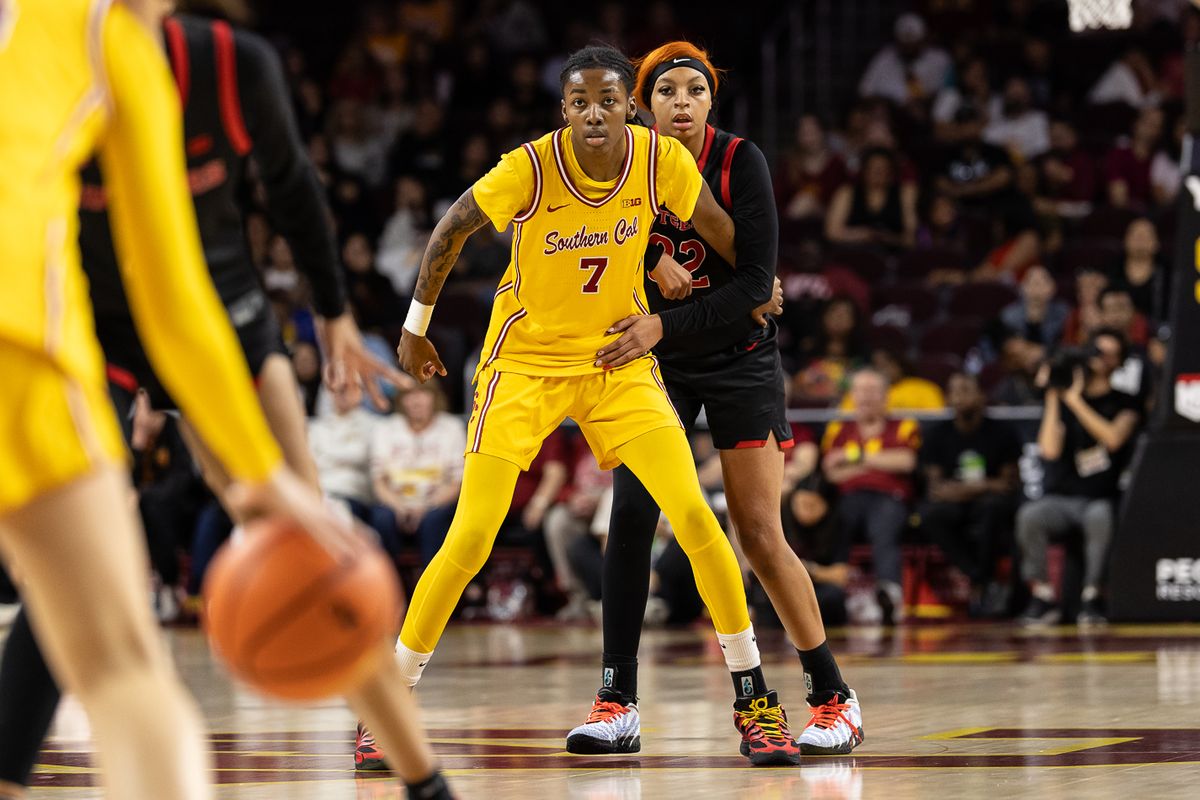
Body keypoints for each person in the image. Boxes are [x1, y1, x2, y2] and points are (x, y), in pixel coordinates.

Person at [0, 3, 452, 797]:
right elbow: (169, 296)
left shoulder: (227, 66)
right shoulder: (105, 44)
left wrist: (336, 311)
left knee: (305, 540)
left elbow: (292, 192)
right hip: (75, 321)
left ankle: (420, 775)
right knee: (100, 625)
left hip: (218, 312)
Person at [389, 44, 802, 767]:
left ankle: (755, 701)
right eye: (580, 102)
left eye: (608, 100)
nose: (594, 114)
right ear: (565, 111)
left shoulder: (659, 161)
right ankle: (388, 703)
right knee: (474, 534)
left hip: (616, 362)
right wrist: (415, 328)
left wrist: (756, 278)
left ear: (627, 107)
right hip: (524, 365)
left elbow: (715, 226)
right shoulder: (531, 166)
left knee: (699, 519)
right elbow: (452, 229)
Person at [560, 41, 862, 759]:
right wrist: (646, 257)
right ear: (645, 106)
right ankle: (617, 700)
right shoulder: (620, 162)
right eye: (668, 92)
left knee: (759, 532)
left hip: (738, 361)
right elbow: (580, 245)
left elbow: (758, 290)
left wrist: (669, 315)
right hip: (655, 367)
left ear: (710, 103)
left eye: (696, 90)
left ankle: (833, 698)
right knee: (632, 515)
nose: (683, 102)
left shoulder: (740, 161)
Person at [1017, 330, 1142, 626]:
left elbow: (1112, 439)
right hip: (1061, 497)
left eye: (1110, 354)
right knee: (1030, 515)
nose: (1101, 359)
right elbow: (1048, 449)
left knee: (1100, 518)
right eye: (1097, 351)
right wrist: (1053, 395)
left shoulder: (1125, 403)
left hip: (1099, 497)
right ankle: (1043, 595)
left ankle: (1092, 597)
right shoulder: (1062, 400)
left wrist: (1074, 402)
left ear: (1120, 362)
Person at [822, 369, 921, 625]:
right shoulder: (838, 428)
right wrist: (878, 462)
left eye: (872, 391)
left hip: (890, 498)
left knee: (885, 529)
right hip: (850, 498)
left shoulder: (904, 425)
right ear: (851, 396)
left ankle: (889, 594)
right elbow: (831, 472)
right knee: (836, 523)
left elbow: (906, 461)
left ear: (886, 396)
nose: (866, 397)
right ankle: (832, 593)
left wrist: (854, 458)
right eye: (860, 391)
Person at [919, 373, 1022, 616]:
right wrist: (986, 485)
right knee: (930, 514)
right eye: (954, 392)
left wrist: (961, 489)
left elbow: (1008, 484)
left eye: (966, 390)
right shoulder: (936, 435)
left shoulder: (1002, 432)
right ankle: (982, 580)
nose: (959, 397)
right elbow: (935, 490)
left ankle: (981, 583)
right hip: (957, 503)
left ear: (981, 397)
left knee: (992, 509)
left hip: (990, 504)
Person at [370, 382, 465, 566]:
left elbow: (457, 482)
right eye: (409, 395)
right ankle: (391, 588)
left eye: (423, 393)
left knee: (435, 521)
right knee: (382, 519)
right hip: (395, 502)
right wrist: (399, 507)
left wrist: (426, 506)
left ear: (434, 397)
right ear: (401, 400)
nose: (416, 401)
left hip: (436, 502)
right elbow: (379, 481)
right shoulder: (385, 429)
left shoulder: (451, 428)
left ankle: (431, 587)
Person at [824, 147, 917, 249]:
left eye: (882, 169)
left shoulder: (904, 193)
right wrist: (862, 235)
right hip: (854, 251)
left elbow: (911, 236)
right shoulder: (847, 192)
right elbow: (831, 232)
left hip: (893, 253)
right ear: (864, 170)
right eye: (873, 169)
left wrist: (887, 238)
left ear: (891, 172)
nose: (877, 174)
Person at [858, 13, 951, 107]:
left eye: (912, 43)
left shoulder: (939, 59)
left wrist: (920, 102)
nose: (908, 48)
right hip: (890, 112)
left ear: (923, 40)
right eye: (904, 44)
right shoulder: (884, 57)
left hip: (927, 112)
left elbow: (946, 94)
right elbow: (865, 92)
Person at [840, 347, 945, 413]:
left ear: (899, 365)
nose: (882, 370)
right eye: (877, 365)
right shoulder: (859, 391)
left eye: (886, 364)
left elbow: (935, 421)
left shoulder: (924, 389)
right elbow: (844, 419)